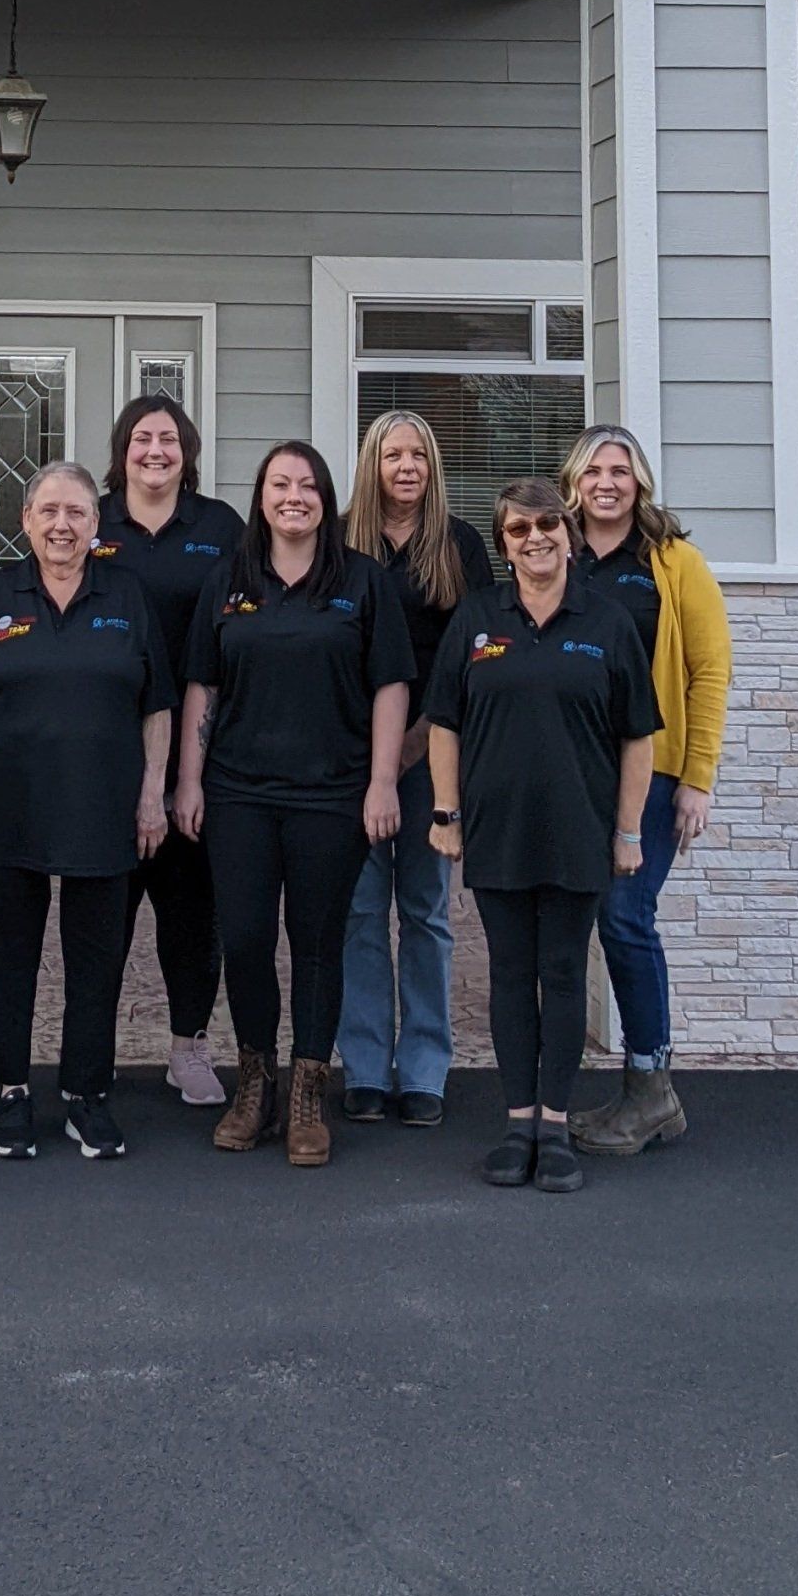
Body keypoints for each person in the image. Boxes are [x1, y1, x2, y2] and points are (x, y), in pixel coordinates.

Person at [177, 443, 412, 1167]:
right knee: (246, 938)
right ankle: (256, 1082)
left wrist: (382, 781)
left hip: (332, 794)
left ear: (326, 499)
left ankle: (309, 1089)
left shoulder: (362, 581)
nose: (294, 497)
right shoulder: (229, 578)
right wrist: (188, 780)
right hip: (238, 793)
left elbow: (391, 685)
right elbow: (201, 685)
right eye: (280, 484)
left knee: (316, 941)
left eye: (308, 485)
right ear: (261, 497)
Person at [423, 476, 659, 1195]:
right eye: (519, 529)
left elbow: (638, 737)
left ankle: (554, 1126)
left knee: (560, 974)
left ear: (569, 533)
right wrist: (445, 813)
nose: (536, 539)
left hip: (579, 830)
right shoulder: (477, 618)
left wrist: (628, 832)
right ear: (504, 543)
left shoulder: (607, 621)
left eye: (548, 525)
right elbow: (444, 723)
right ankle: (517, 1122)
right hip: (497, 830)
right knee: (507, 974)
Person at [0, 462, 173, 1163]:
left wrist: (152, 795)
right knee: (9, 952)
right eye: (48, 511)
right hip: (10, 802)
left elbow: (157, 706)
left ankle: (85, 1093)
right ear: (26, 520)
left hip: (104, 803)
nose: (62, 525)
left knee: (95, 957)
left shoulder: (126, 595)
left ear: (96, 524)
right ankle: (12, 1090)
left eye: (76, 512)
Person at [557, 426, 733, 1155]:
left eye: (620, 470)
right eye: (593, 470)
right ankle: (619, 1093)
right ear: (573, 481)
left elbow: (709, 670)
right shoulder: (559, 552)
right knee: (579, 922)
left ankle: (651, 1087)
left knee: (627, 918)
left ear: (640, 482)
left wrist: (697, 779)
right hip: (570, 771)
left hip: (653, 774)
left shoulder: (673, 561)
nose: (607, 482)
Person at [337, 411, 495, 1130]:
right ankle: (366, 1066)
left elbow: (474, 654)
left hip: (436, 753)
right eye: (393, 455)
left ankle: (426, 1066)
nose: (406, 467)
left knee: (426, 912)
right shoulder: (341, 540)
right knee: (361, 911)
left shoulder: (459, 545)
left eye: (419, 456)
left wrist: (415, 742)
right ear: (372, 464)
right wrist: (374, 752)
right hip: (354, 755)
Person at [92, 395, 241, 1105]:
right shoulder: (91, 520)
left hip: (197, 751)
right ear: (122, 450)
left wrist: (192, 775)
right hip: (102, 747)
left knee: (191, 913)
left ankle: (189, 1048)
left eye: (169, 439)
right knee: (102, 913)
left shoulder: (220, 528)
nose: (156, 450)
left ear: (188, 451)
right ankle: (91, 1051)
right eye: (142, 438)